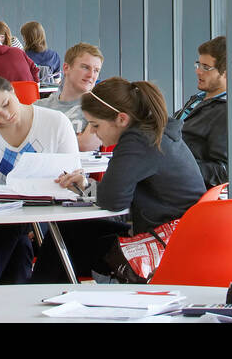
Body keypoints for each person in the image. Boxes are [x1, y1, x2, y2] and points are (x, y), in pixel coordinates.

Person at [33, 76, 205, 282]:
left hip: (166, 245)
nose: (94, 133)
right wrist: (86, 186)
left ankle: (38, 299)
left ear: (121, 119)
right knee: (67, 233)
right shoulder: (156, 132)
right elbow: (114, 195)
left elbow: (113, 201)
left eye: (95, 125)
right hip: (180, 235)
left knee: (63, 244)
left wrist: (89, 188)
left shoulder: (137, 142)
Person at [0, 73, 79, 283]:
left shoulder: (56, 123)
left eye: (6, 104)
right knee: (18, 241)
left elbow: (73, 182)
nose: (5, 115)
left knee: (15, 235)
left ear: (12, 90)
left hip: (50, 218)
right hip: (2, 221)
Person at [175, 35, 227, 187]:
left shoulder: (224, 112)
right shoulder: (198, 99)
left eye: (206, 67)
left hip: (185, 190)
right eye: (198, 64)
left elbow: (223, 172)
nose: (198, 71)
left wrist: (174, 166)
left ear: (225, 72)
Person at [37, 42, 103, 151]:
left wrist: (44, 141)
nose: (91, 75)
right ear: (66, 68)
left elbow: (85, 145)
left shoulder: (99, 109)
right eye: (85, 67)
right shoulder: (38, 107)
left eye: (96, 70)